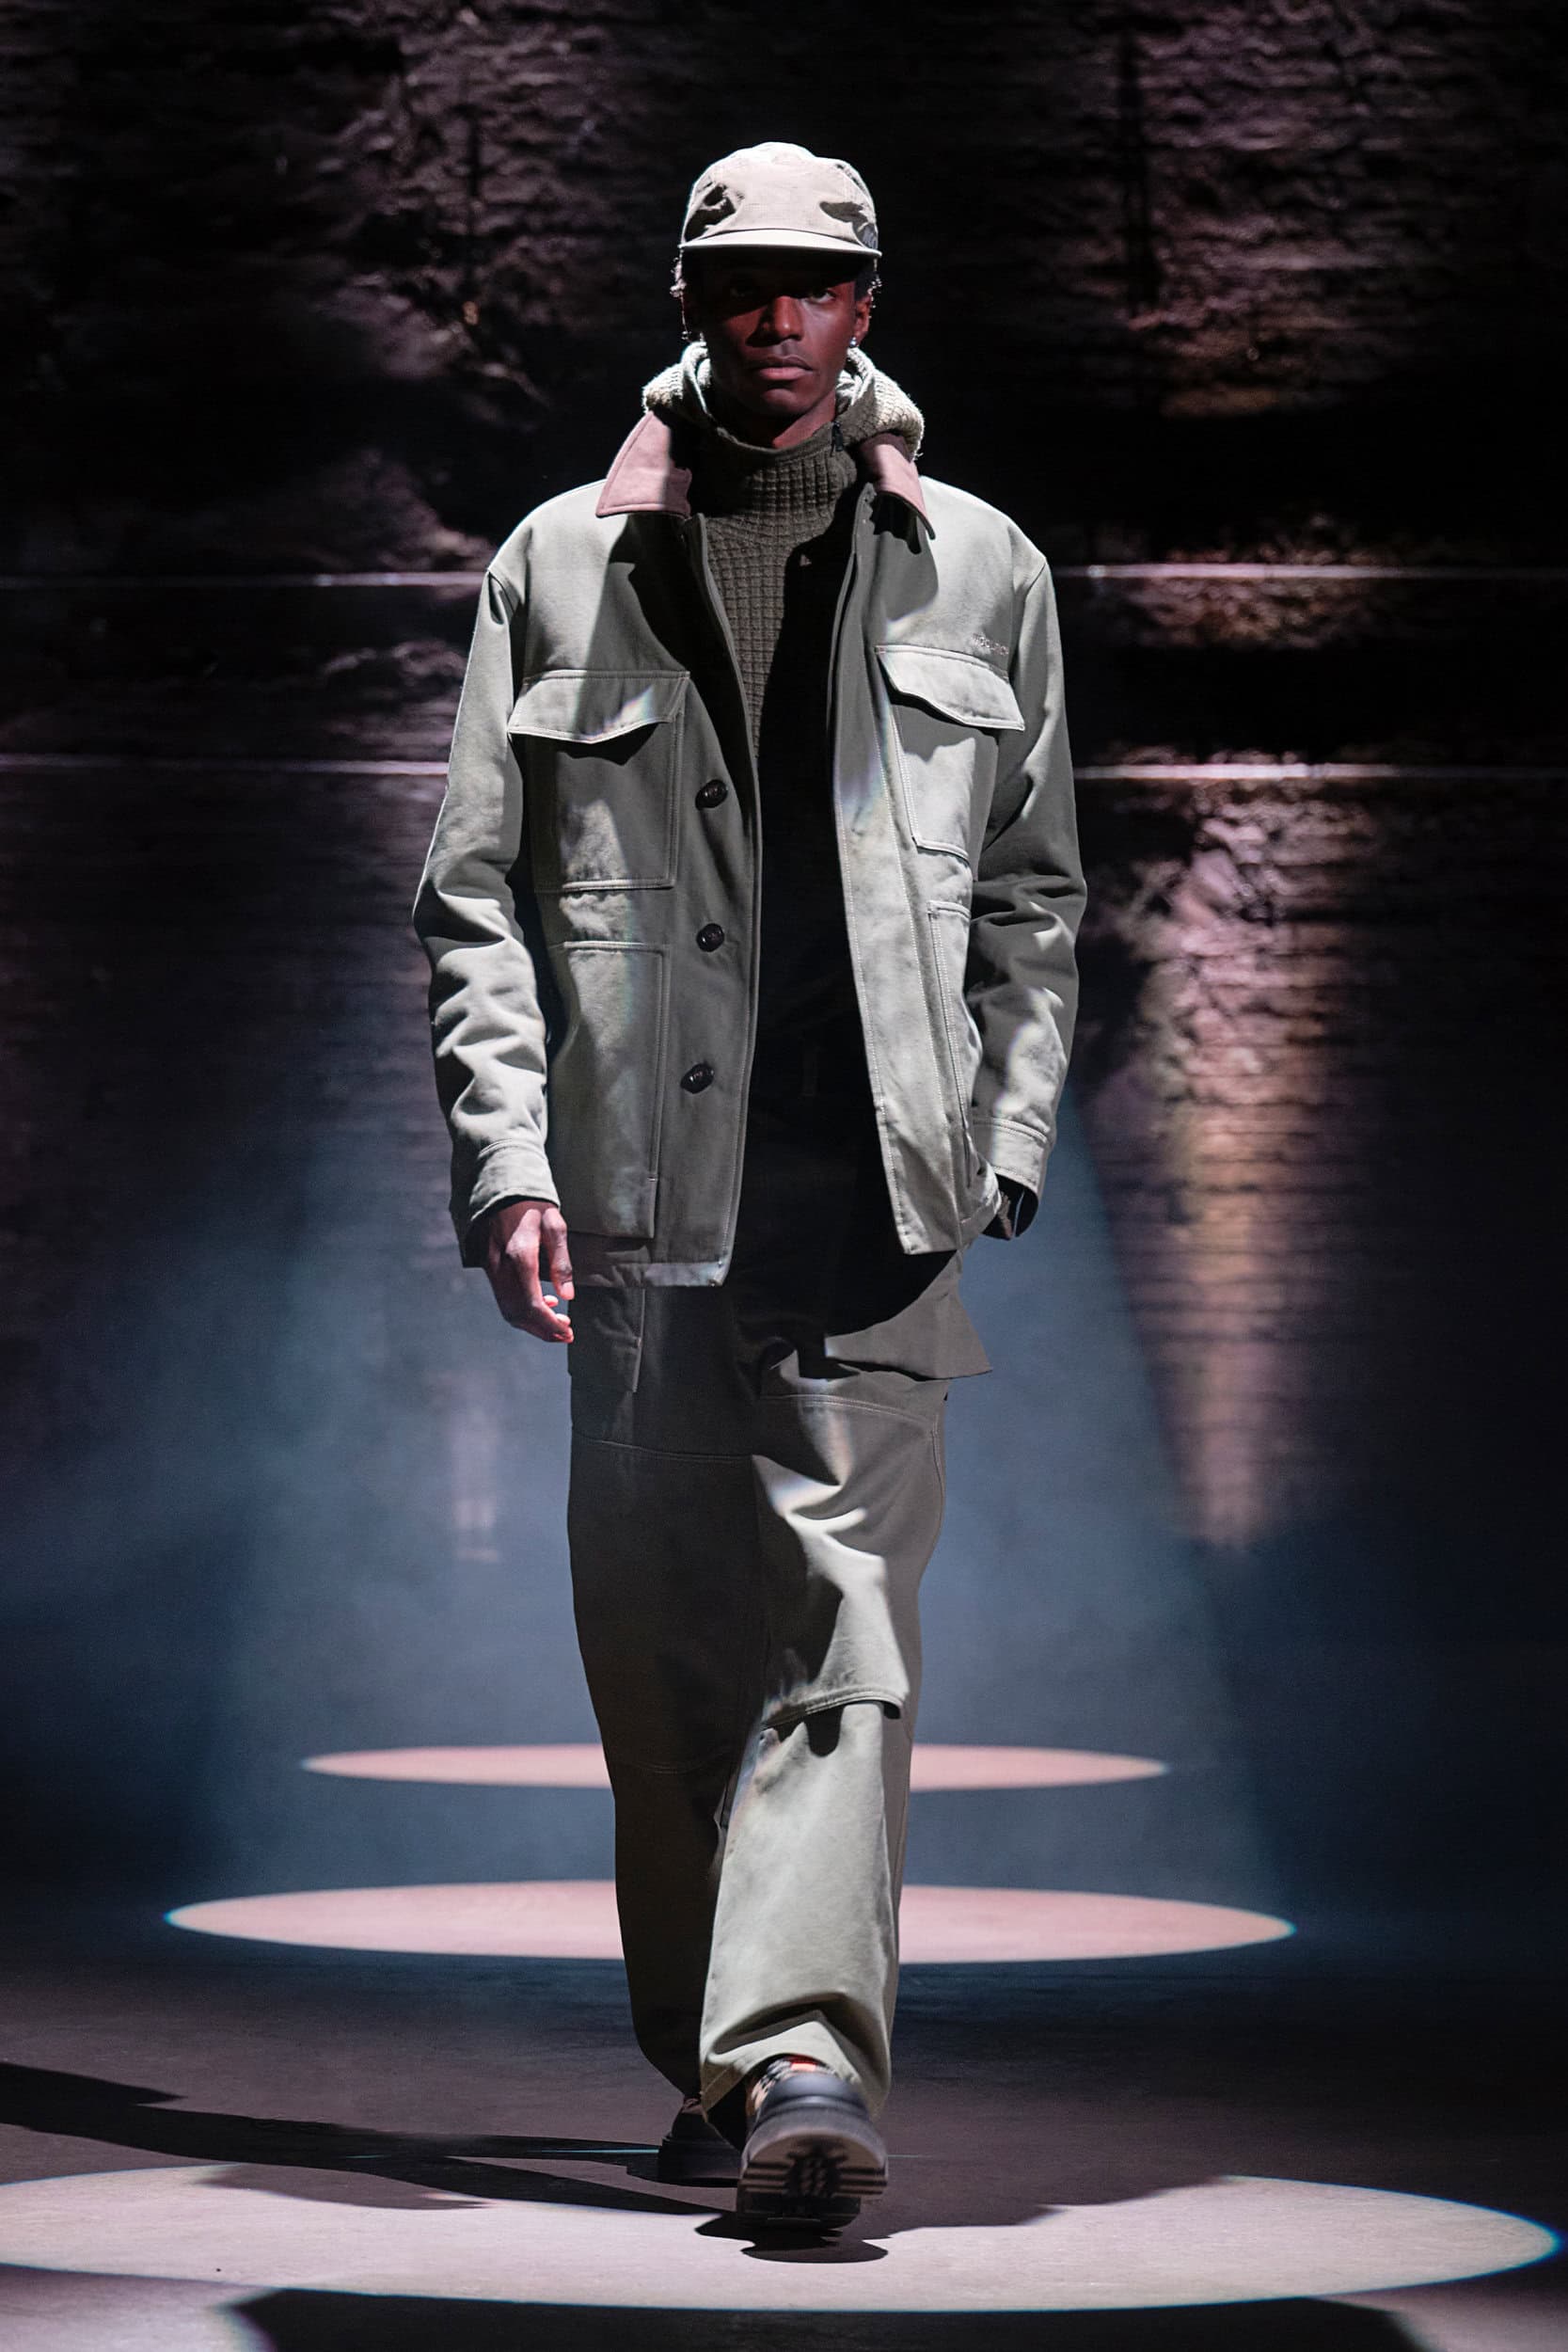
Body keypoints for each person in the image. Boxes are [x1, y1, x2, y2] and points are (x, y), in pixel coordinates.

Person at [413, 141, 1085, 2231]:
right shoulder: (562, 561)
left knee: (843, 1635)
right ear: (690, 302)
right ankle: (715, 2052)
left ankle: (803, 2056)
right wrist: (506, 1155)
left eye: (814, 282)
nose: (776, 318)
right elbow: (472, 898)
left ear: (868, 303)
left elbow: (1036, 895)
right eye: (741, 283)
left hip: (872, 1203)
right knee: (663, 1664)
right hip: (639, 1203)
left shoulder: (984, 568)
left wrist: (1000, 1143)